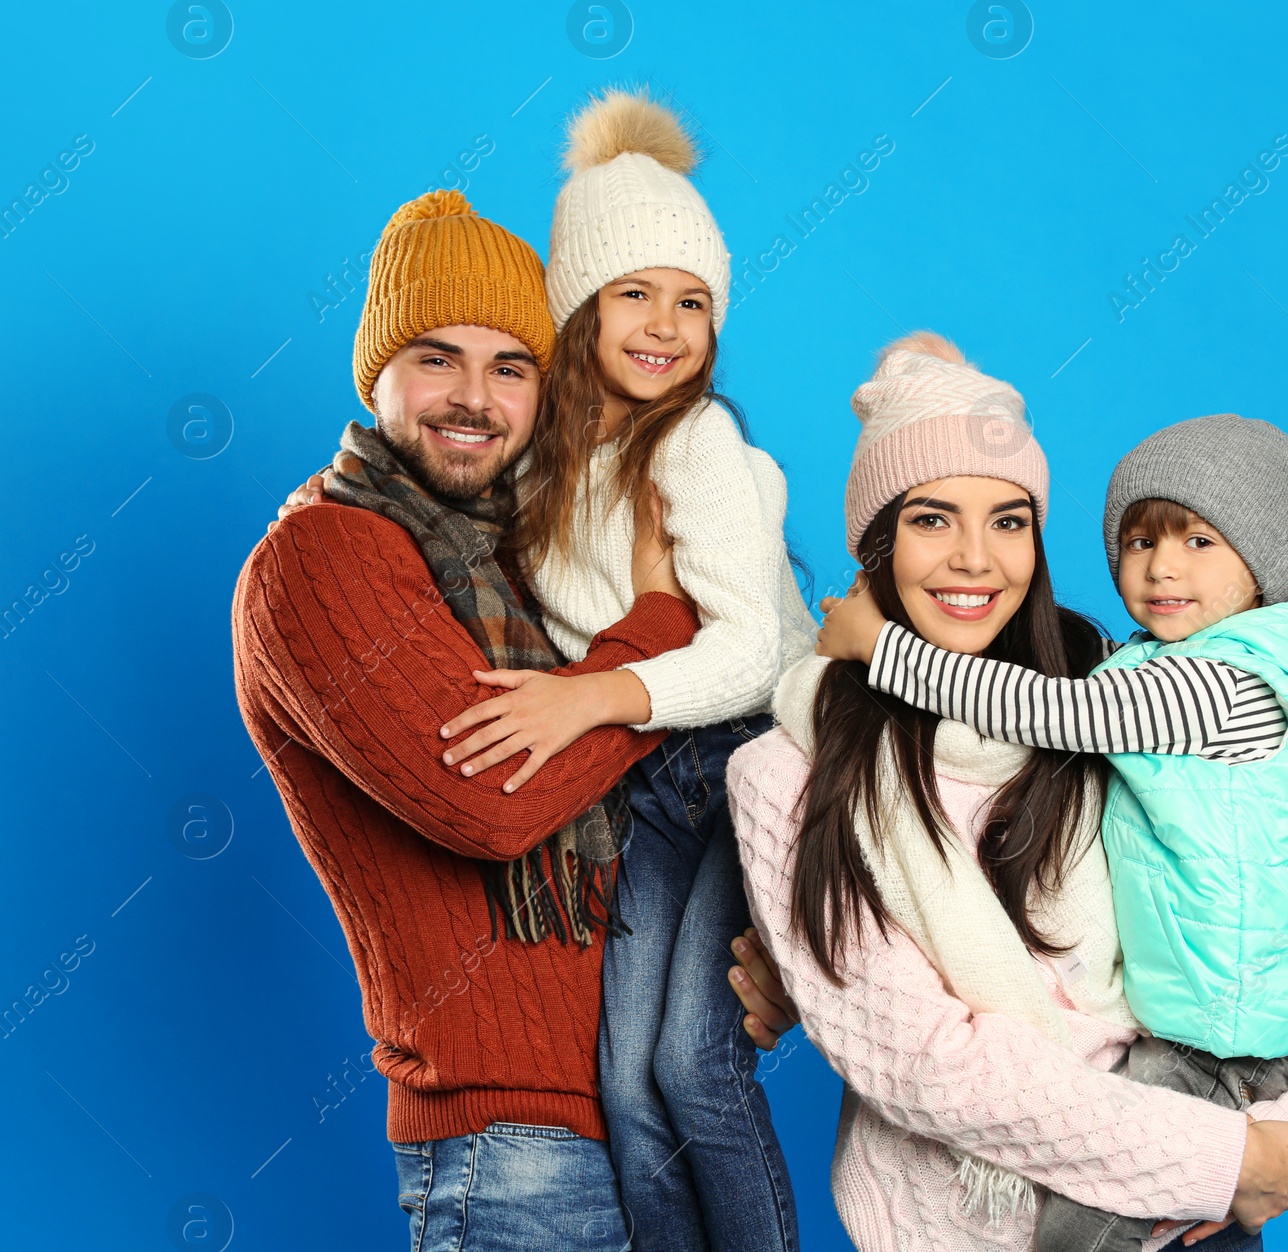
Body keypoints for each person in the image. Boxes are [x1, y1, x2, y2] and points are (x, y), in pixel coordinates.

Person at [277, 92, 809, 1252]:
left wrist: (746, 964)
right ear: (377, 375)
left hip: (617, 1116)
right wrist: (664, 606)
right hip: (510, 1148)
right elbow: (496, 794)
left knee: (691, 1069)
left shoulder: (516, 533)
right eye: (436, 359)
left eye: (507, 366)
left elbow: (670, 750)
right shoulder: (331, 554)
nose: (474, 396)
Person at [728, 334, 1288, 1251]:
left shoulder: (1112, 698)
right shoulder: (786, 775)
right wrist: (1221, 1156)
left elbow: (1272, 900)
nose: (976, 560)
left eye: (1009, 521)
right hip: (973, 1227)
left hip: (1192, 1224)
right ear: (878, 543)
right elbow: (927, 1067)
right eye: (933, 520)